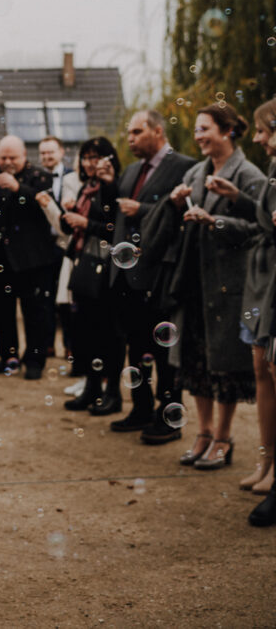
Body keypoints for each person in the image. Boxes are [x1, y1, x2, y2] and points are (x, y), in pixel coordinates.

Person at [144, 103, 265, 470]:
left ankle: (224, 439)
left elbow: (263, 232)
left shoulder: (249, 175)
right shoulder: (196, 172)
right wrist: (174, 202)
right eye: (195, 130)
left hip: (228, 287)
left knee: (224, 366)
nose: (197, 136)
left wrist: (216, 221)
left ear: (227, 131)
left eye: (204, 129)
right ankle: (203, 433)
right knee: (194, 365)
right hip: (193, 282)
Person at [107, 110, 195, 440]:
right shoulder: (131, 171)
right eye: (129, 133)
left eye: (137, 132)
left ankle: (168, 416)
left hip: (161, 274)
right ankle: (141, 408)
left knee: (163, 352)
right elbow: (119, 219)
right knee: (136, 346)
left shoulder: (185, 167)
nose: (130, 138)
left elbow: (181, 216)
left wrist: (141, 210)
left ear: (158, 132)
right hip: (127, 277)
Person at [0, 135, 56, 379]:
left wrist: (18, 187)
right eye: (3, 157)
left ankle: (34, 360)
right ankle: (7, 357)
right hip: (0, 258)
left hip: (31, 259)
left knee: (34, 312)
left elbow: (46, 207)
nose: (7, 162)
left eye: (13, 157)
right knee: (2, 311)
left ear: (24, 156)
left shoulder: (41, 177)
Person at [56, 138, 124, 414]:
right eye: (85, 158)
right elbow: (73, 228)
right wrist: (69, 216)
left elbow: (115, 228)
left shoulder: (112, 187)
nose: (89, 163)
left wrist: (86, 223)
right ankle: (92, 389)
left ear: (109, 159)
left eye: (95, 157)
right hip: (84, 264)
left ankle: (113, 393)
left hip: (106, 267)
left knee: (108, 333)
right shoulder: (87, 187)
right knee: (85, 332)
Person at [236, 97, 276, 495]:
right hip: (263, 283)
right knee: (261, 369)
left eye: (265, 130)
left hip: (273, 286)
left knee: (272, 371)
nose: (260, 139)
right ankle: (266, 460)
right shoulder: (272, 168)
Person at [38, 135, 80, 361]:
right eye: (43, 153)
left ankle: (70, 346)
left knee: (67, 300)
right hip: (45, 247)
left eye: (50, 152)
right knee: (46, 299)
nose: (46, 156)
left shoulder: (73, 178)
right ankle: (48, 345)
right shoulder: (36, 179)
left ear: (61, 152)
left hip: (67, 246)